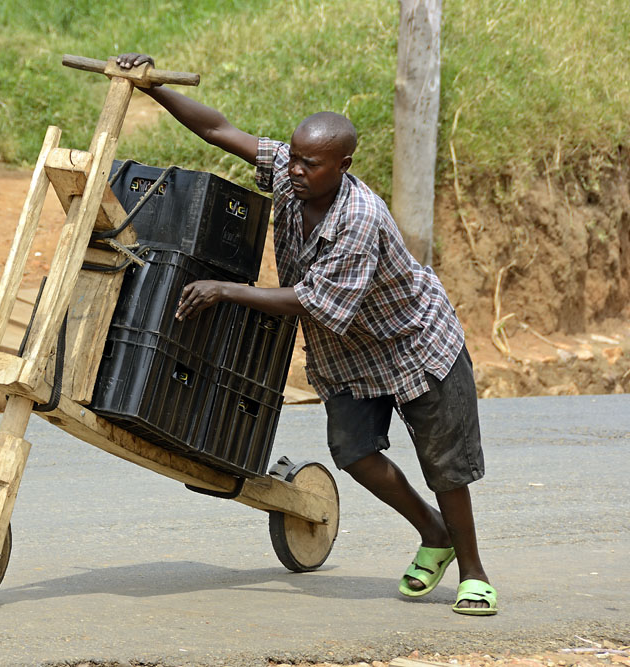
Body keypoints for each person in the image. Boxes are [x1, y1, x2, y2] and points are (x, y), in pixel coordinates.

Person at [116, 53, 497, 616]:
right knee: (354, 453)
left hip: (414, 343)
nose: (294, 171)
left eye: (310, 164)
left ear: (343, 165)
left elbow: (311, 301)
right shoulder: (292, 180)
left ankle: (473, 572)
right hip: (347, 351)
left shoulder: (360, 219)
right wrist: (152, 89)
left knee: (445, 465)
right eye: (293, 159)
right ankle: (433, 534)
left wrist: (224, 290)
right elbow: (220, 130)